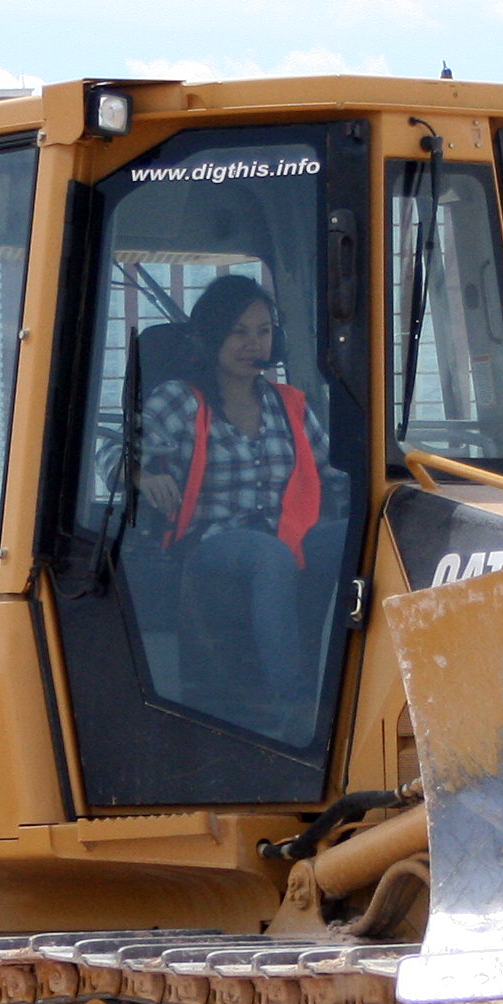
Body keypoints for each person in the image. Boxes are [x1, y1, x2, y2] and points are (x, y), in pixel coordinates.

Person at [135, 273, 347, 721]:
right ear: (211, 337)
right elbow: (115, 447)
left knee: (358, 537)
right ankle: (296, 705)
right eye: (239, 332)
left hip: (290, 535)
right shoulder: (180, 400)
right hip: (210, 540)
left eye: (263, 332)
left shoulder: (288, 403)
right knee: (269, 557)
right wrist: (140, 474)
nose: (254, 344)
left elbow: (336, 473)